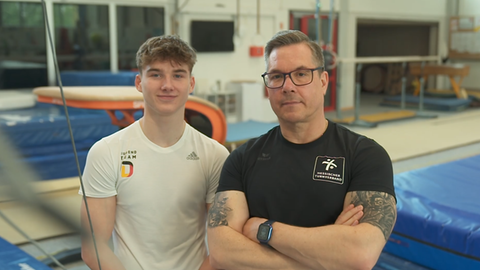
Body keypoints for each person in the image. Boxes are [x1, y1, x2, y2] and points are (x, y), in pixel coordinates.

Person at [207, 30, 397, 270]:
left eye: (301, 74)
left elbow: (359, 254)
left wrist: (264, 230)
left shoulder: (365, 156)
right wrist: (325, 257)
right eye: (276, 76)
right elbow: (222, 253)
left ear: (323, 81)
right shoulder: (242, 159)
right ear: (268, 87)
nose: (288, 86)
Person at [80, 35, 230, 270]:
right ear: (139, 82)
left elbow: (224, 247)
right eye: (156, 74)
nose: (167, 85)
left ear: (191, 84)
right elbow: (92, 248)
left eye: (178, 75)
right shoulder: (106, 152)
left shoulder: (215, 156)